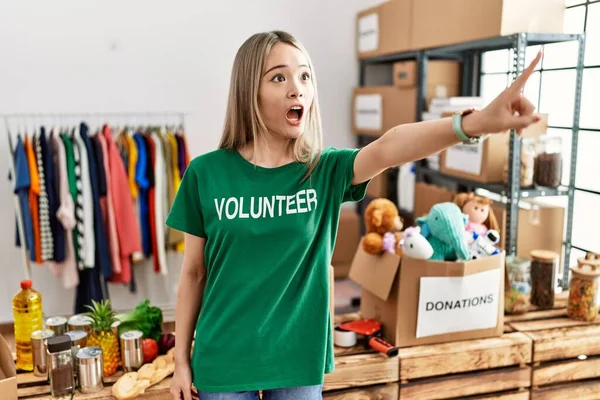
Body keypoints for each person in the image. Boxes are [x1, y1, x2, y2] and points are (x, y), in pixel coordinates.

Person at [166, 30, 543, 400]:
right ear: (249, 91)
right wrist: (181, 360)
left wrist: (472, 124)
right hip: (224, 358)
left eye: (304, 75)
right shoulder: (206, 173)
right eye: (278, 77)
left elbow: (389, 146)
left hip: (298, 357)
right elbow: (194, 272)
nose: (297, 88)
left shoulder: (323, 171)